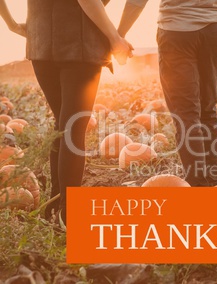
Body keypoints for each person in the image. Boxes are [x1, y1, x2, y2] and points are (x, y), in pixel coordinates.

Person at [0, 0, 134, 226]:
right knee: (72, 129)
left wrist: (11, 23)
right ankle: (69, 214)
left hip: (41, 42)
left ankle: (55, 205)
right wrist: (114, 38)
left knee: (62, 127)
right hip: (79, 43)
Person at [118, 0, 217, 186]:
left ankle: (197, 185)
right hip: (214, 30)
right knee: (208, 110)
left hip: (176, 30)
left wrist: (119, 35)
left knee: (186, 115)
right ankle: (211, 183)